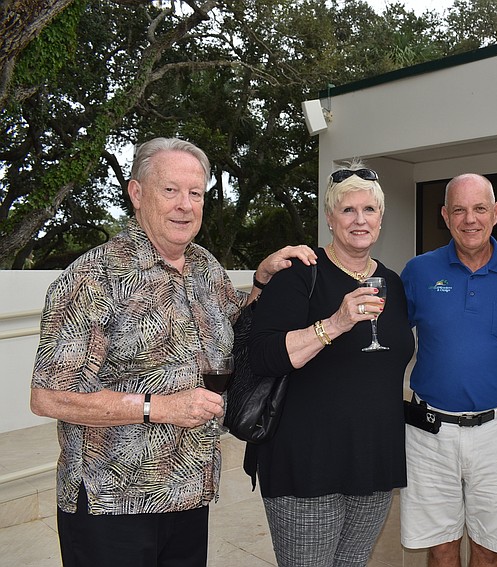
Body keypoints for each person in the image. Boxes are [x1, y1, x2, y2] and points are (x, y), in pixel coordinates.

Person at [29, 137, 316, 567]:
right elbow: (49, 396)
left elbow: (233, 331)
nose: (185, 204)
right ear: (137, 193)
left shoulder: (204, 265)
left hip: (187, 492)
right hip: (113, 503)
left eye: (195, 193)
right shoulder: (93, 276)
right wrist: (160, 407)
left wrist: (260, 281)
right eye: (170, 190)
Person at [248, 162, 415, 566]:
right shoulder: (301, 275)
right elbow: (263, 355)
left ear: (381, 218)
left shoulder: (392, 281)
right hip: (307, 463)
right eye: (348, 210)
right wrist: (336, 324)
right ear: (329, 218)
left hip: (373, 459)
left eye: (369, 210)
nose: (360, 220)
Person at [400, 173, 497, 566]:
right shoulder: (418, 272)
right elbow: (388, 342)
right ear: (445, 216)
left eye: (480, 208)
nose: (470, 219)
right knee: (441, 546)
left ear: (495, 213)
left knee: (489, 547)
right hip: (429, 435)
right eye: (460, 210)